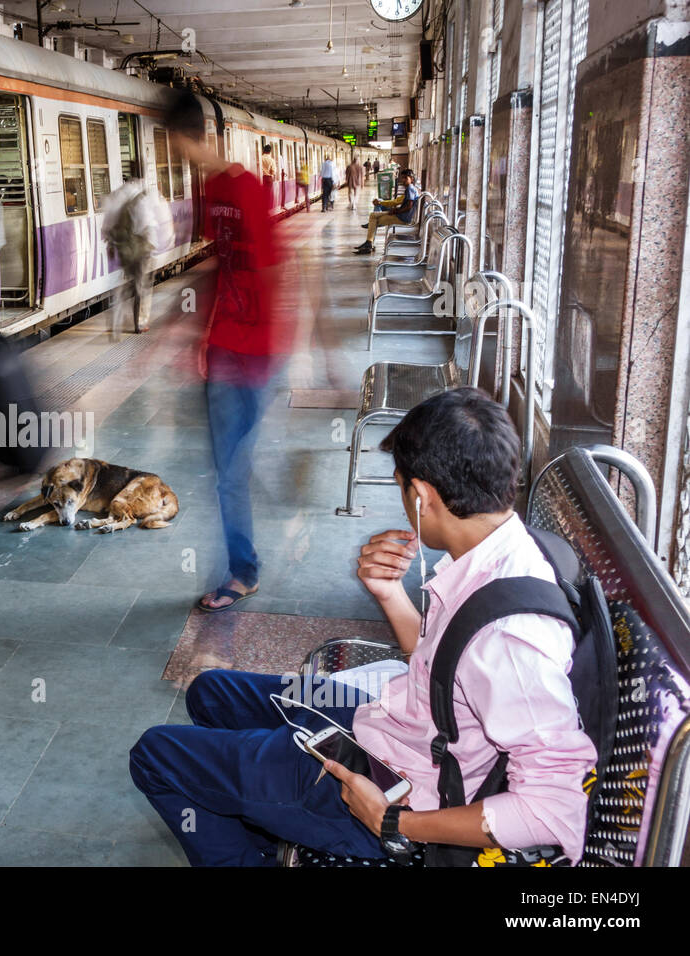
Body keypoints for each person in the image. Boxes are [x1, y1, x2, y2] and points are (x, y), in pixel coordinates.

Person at [130, 388, 597, 866]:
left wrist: (393, 821)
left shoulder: (511, 640)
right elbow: (447, 669)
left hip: (394, 789)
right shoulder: (506, 554)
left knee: (155, 754)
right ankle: (263, 813)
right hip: (395, 725)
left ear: (421, 497)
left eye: (400, 488)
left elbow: (553, 810)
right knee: (209, 692)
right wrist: (388, 593)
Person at [159, 91, 291, 614]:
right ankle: (242, 563)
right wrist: (194, 331)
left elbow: (276, 272)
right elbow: (222, 265)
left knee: (232, 471)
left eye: (178, 145)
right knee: (226, 469)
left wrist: (280, 346)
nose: (179, 155)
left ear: (190, 138)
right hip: (223, 349)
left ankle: (243, 571)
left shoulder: (248, 191)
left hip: (253, 353)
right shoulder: (212, 190)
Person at [102, 176, 171, 335]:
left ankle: (118, 313)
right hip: (140, 250)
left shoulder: (115, 196)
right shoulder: (141, 199)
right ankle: (139, 323)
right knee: (142, 286)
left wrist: (111, 245)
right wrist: (152, 247)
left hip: (124, 250)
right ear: (137, 180)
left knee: (130, 282)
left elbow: (108, 225)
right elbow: (145, 226)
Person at [354, 167, 419, 255]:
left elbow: (409, 206)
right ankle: (369, 243)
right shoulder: (412, 188)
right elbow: (401, 203)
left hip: (402, 218)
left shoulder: (410, 189)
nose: (403, 180)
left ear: (411, 179)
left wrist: (395, 211)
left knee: (374, 220)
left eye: (405, 178)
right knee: (373, 216)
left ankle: (369, 243)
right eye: (402, 178)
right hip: (401, 215)